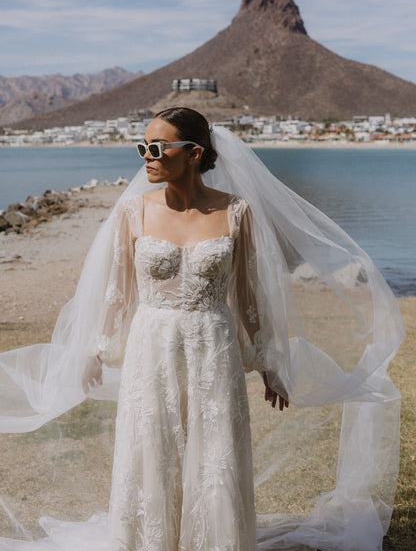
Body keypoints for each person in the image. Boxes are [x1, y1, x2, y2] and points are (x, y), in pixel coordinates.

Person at [0, 107, 405, 551]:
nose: (146, 157)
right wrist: (93, 351)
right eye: (142, 148)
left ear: (193, 154)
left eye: (156, 148)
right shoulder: (133, 212)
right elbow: (116, 292)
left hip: (214, 346)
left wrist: (271, 363)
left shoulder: (237, 212)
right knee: (150, 449)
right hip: (151, 347)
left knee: (215, 454)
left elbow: (250, 296)